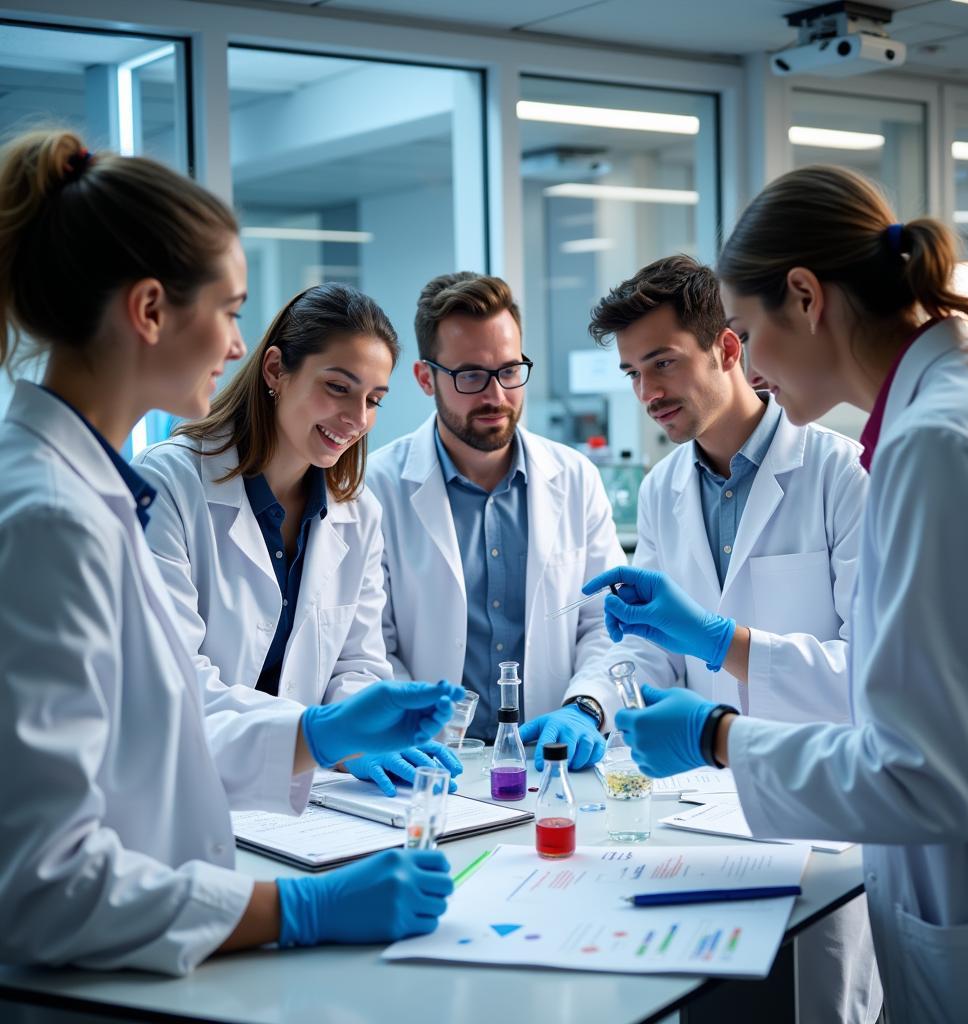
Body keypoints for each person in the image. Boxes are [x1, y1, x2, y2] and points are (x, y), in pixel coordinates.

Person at [0, 129, 461, 976]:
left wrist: (329, 731)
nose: (238, 345)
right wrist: (301, 907)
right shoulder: (50, 519)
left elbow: (169, 736)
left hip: (176, 921)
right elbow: (42, 883)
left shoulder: (82, 497)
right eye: (231, 309)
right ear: (148, 311)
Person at [588, 165, 968, 1024]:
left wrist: (718, 735)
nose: (750, 358)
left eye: (744, 329)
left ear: (805, 296)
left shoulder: (932, 443)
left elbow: (924, 774)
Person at [588, 253, 880, 1024]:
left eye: (663, 363)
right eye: (631, 373)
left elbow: (871, 675)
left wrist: (725, 640)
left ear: (727, 347)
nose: (648, 393)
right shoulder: (660, 489)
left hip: (825, 818)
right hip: (701, 819)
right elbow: (652, 648)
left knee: (815, 1003)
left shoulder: (840, 472)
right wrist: (610, 695)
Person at [134, 283, 461, 797]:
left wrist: (359, 739)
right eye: (337, 387)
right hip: (182, 785)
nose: (357, 419)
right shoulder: (172, 482)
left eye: (373, 399)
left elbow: (357, 663)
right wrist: (321, 735)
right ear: (274, 371)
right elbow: (173, 678)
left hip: (303, 797)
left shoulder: (358, 512)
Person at [365, 272, 625, 770]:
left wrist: (586, 706)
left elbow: (603, 625)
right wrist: (413, 727)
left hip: (552, 759)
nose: (496, 396)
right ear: (425, 378)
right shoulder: (377, 489)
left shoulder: (575, 479)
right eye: (470, 376)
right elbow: (372, 644)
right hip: (434, 760)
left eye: (509, 371)